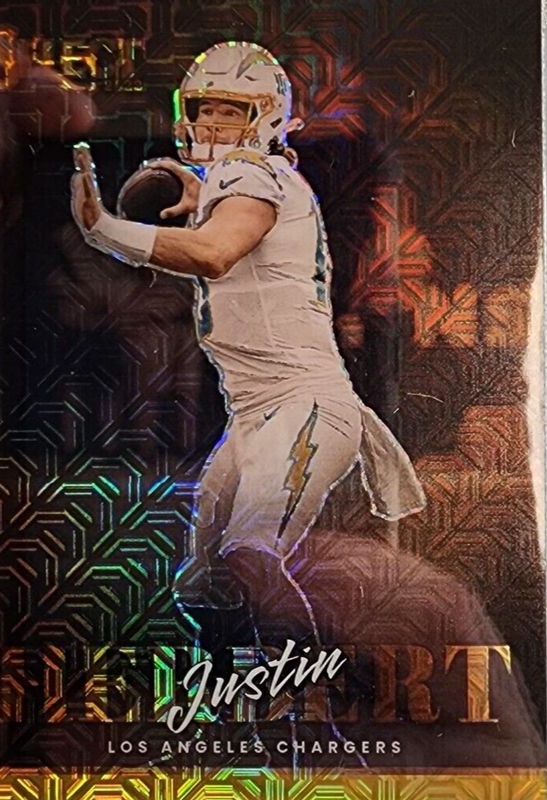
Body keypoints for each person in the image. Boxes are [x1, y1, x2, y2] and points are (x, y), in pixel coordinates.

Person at [72, 41, 426, 644]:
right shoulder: (242, 178)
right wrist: (200, 192)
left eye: (230, 111)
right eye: (204, 109)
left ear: (263, 117)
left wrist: (104, 229)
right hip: (256, 416)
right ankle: (238, 687)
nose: (212, 123)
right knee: (201, 586)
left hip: (303, 407)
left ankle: (324, 682)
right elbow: (225, 223)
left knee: (249, 555)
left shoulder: (254, 173)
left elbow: (215, 252)